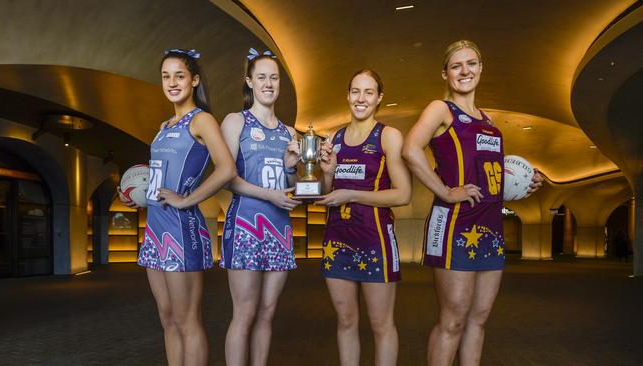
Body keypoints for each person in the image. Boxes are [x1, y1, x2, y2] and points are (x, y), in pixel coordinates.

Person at [401, 40, 542, 366]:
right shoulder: (441, 109)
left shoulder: (488, 120)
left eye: (472, 63)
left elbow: (491, 174)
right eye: (456, 65)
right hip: (455, 224)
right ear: (445, 74)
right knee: (453, 320)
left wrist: (523, 184)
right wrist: (447, 191)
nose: (465, 71)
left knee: (478, 320)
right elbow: (410, 149)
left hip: (490, 226)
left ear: (481, 68)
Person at [119, 48, 236, 366]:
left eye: (179, 75)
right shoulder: (165, 123)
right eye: (165, 76)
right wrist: (139, 192)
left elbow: (226, 169)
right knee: (168, 318)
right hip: (155, 228)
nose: (172, 82)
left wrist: (187, 199)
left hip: (182, 230)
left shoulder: (202, 120)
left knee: (187, 321)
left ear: (194, 80)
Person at [316, 69, 412, 366]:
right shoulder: (336, 137)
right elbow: (326, 192)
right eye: (356, 91)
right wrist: (329, 173)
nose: (361, 98)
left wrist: (352, 195)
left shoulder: (388, 136)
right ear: (347, 96)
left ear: (379, 98)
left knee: (380, 325)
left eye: (368, 92)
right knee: (345, 321)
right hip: (337, 238)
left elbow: (403, 194)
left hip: (375, 240)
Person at [219, 48, 301, 366]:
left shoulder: (289, 132)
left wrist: (292, 167)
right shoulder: (235, 121)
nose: (268, 83)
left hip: (279, 229)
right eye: (262, 77)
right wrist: (269, 195)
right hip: (245, 227)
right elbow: (228, 179)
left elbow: (290, 184)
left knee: (267, 314)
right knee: (245, 313)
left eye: (274, 77)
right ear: (249, 81)